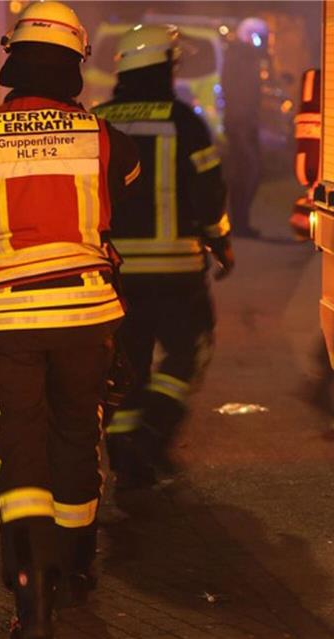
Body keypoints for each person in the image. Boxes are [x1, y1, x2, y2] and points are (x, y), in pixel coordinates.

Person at [0, 3, 140, 636]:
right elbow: (128, 184)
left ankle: (31, 596)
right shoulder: (101, 136)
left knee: (17, 447)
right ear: (75, 62)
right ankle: (73, 570)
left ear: (13, 59)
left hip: (6, 320)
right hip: (86, 317)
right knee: (76, 435)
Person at [92, 24, 234, 489]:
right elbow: (208, 191)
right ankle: (150, 437)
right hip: (175, 272)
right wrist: (220, 241)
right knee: (188, 351)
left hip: (115, 273)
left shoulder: (98, 122)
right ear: (163, 69)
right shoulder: (186, 122)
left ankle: (123, 446)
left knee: (125, 364)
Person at [221, 17, 268, 238]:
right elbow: (238, 93)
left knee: (245, 173)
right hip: (240, 124)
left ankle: (240, 222)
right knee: (247, 172)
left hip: (244, 123)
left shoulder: (245, 57)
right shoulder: (239, 57)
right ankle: (239, 223)